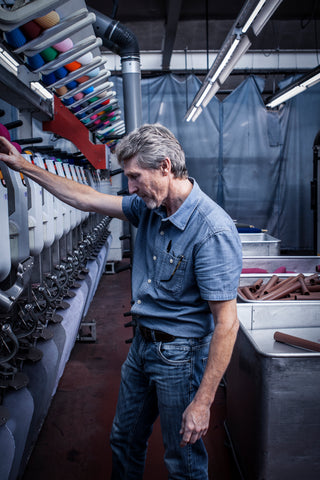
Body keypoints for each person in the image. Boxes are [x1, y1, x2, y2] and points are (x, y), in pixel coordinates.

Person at [0, 123, 242, 480]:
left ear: (164, 167)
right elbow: (83, 198)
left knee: (183, 461)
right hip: (143, 347)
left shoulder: (211, 230)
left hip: (180, 356)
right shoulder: (149, 207)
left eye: (134, 177)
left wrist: (203, 402)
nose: (129, 188)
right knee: (124, 441)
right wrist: (25, 168)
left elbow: (227, 323)